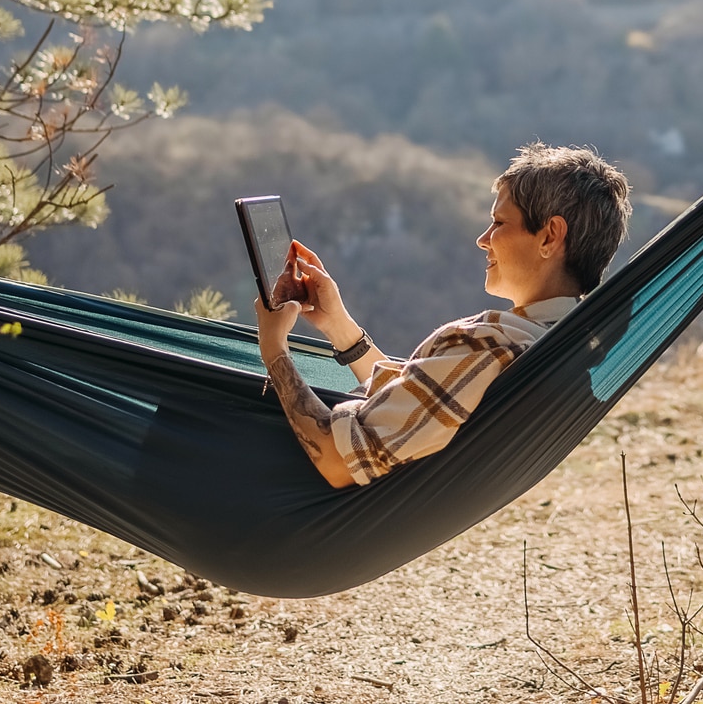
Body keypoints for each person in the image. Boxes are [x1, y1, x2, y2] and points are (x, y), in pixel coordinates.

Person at [254, 143, 631, 487]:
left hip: (291, 495)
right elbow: (419, 404)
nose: (483, 239)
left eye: (499, 223)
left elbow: (338, 462)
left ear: (549, 237)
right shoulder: (555, 341)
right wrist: (338, 325)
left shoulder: (489, 348)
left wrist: (274, 349)